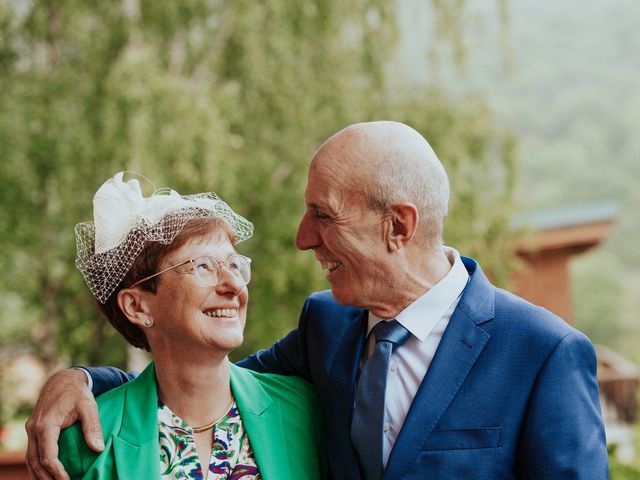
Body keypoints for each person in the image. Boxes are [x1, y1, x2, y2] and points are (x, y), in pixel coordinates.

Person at [27, 122, 608, 479]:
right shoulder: (326, 327)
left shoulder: (543, 353)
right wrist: (77, 379)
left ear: (397, 226)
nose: (303, 238)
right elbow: (202, 382)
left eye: (323, 215)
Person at [34, 172, 326, 479]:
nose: (233, 285)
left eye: (234, 265)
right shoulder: (82, 442)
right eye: (203, 266)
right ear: (137, 306)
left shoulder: (304, 411)